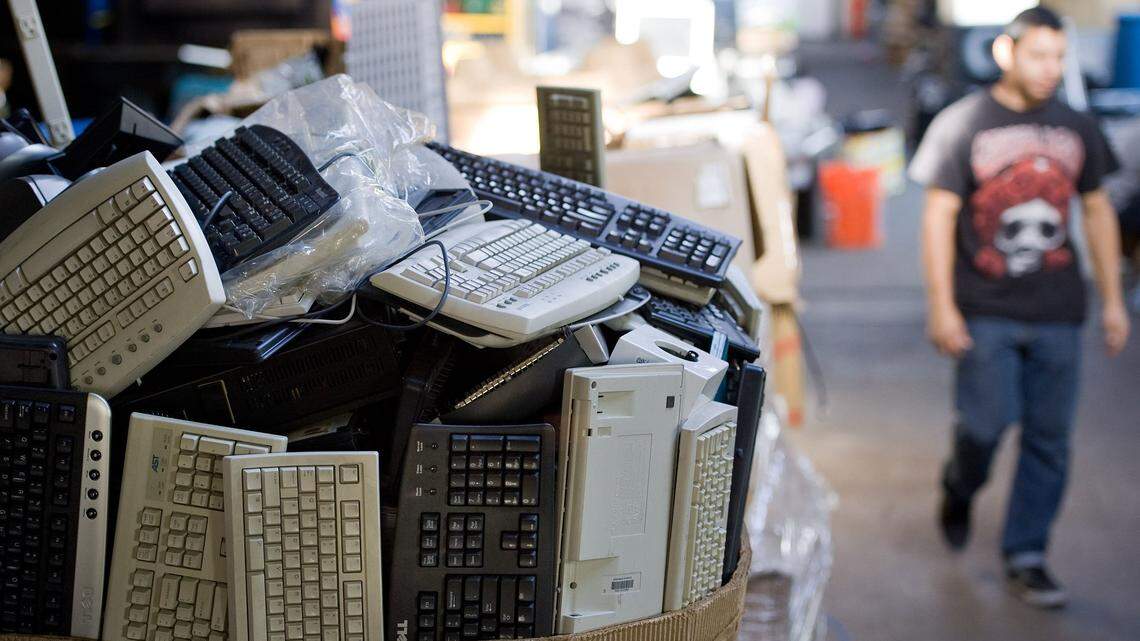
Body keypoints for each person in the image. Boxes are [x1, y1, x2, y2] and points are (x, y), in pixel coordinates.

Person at [909, 7, 1130, 609]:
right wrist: (941, 306)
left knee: (1049, 439)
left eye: (1059, 57)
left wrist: (1113, 301)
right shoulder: (964, 123)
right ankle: (960, 484)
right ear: (1005, 53)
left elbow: (1098, 211)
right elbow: (938, 215)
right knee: (983, 427)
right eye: (1038, 55)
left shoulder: (1077, 126)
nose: (1050, 68)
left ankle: (1027, 554)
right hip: (985, 307)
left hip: (1059, 308)